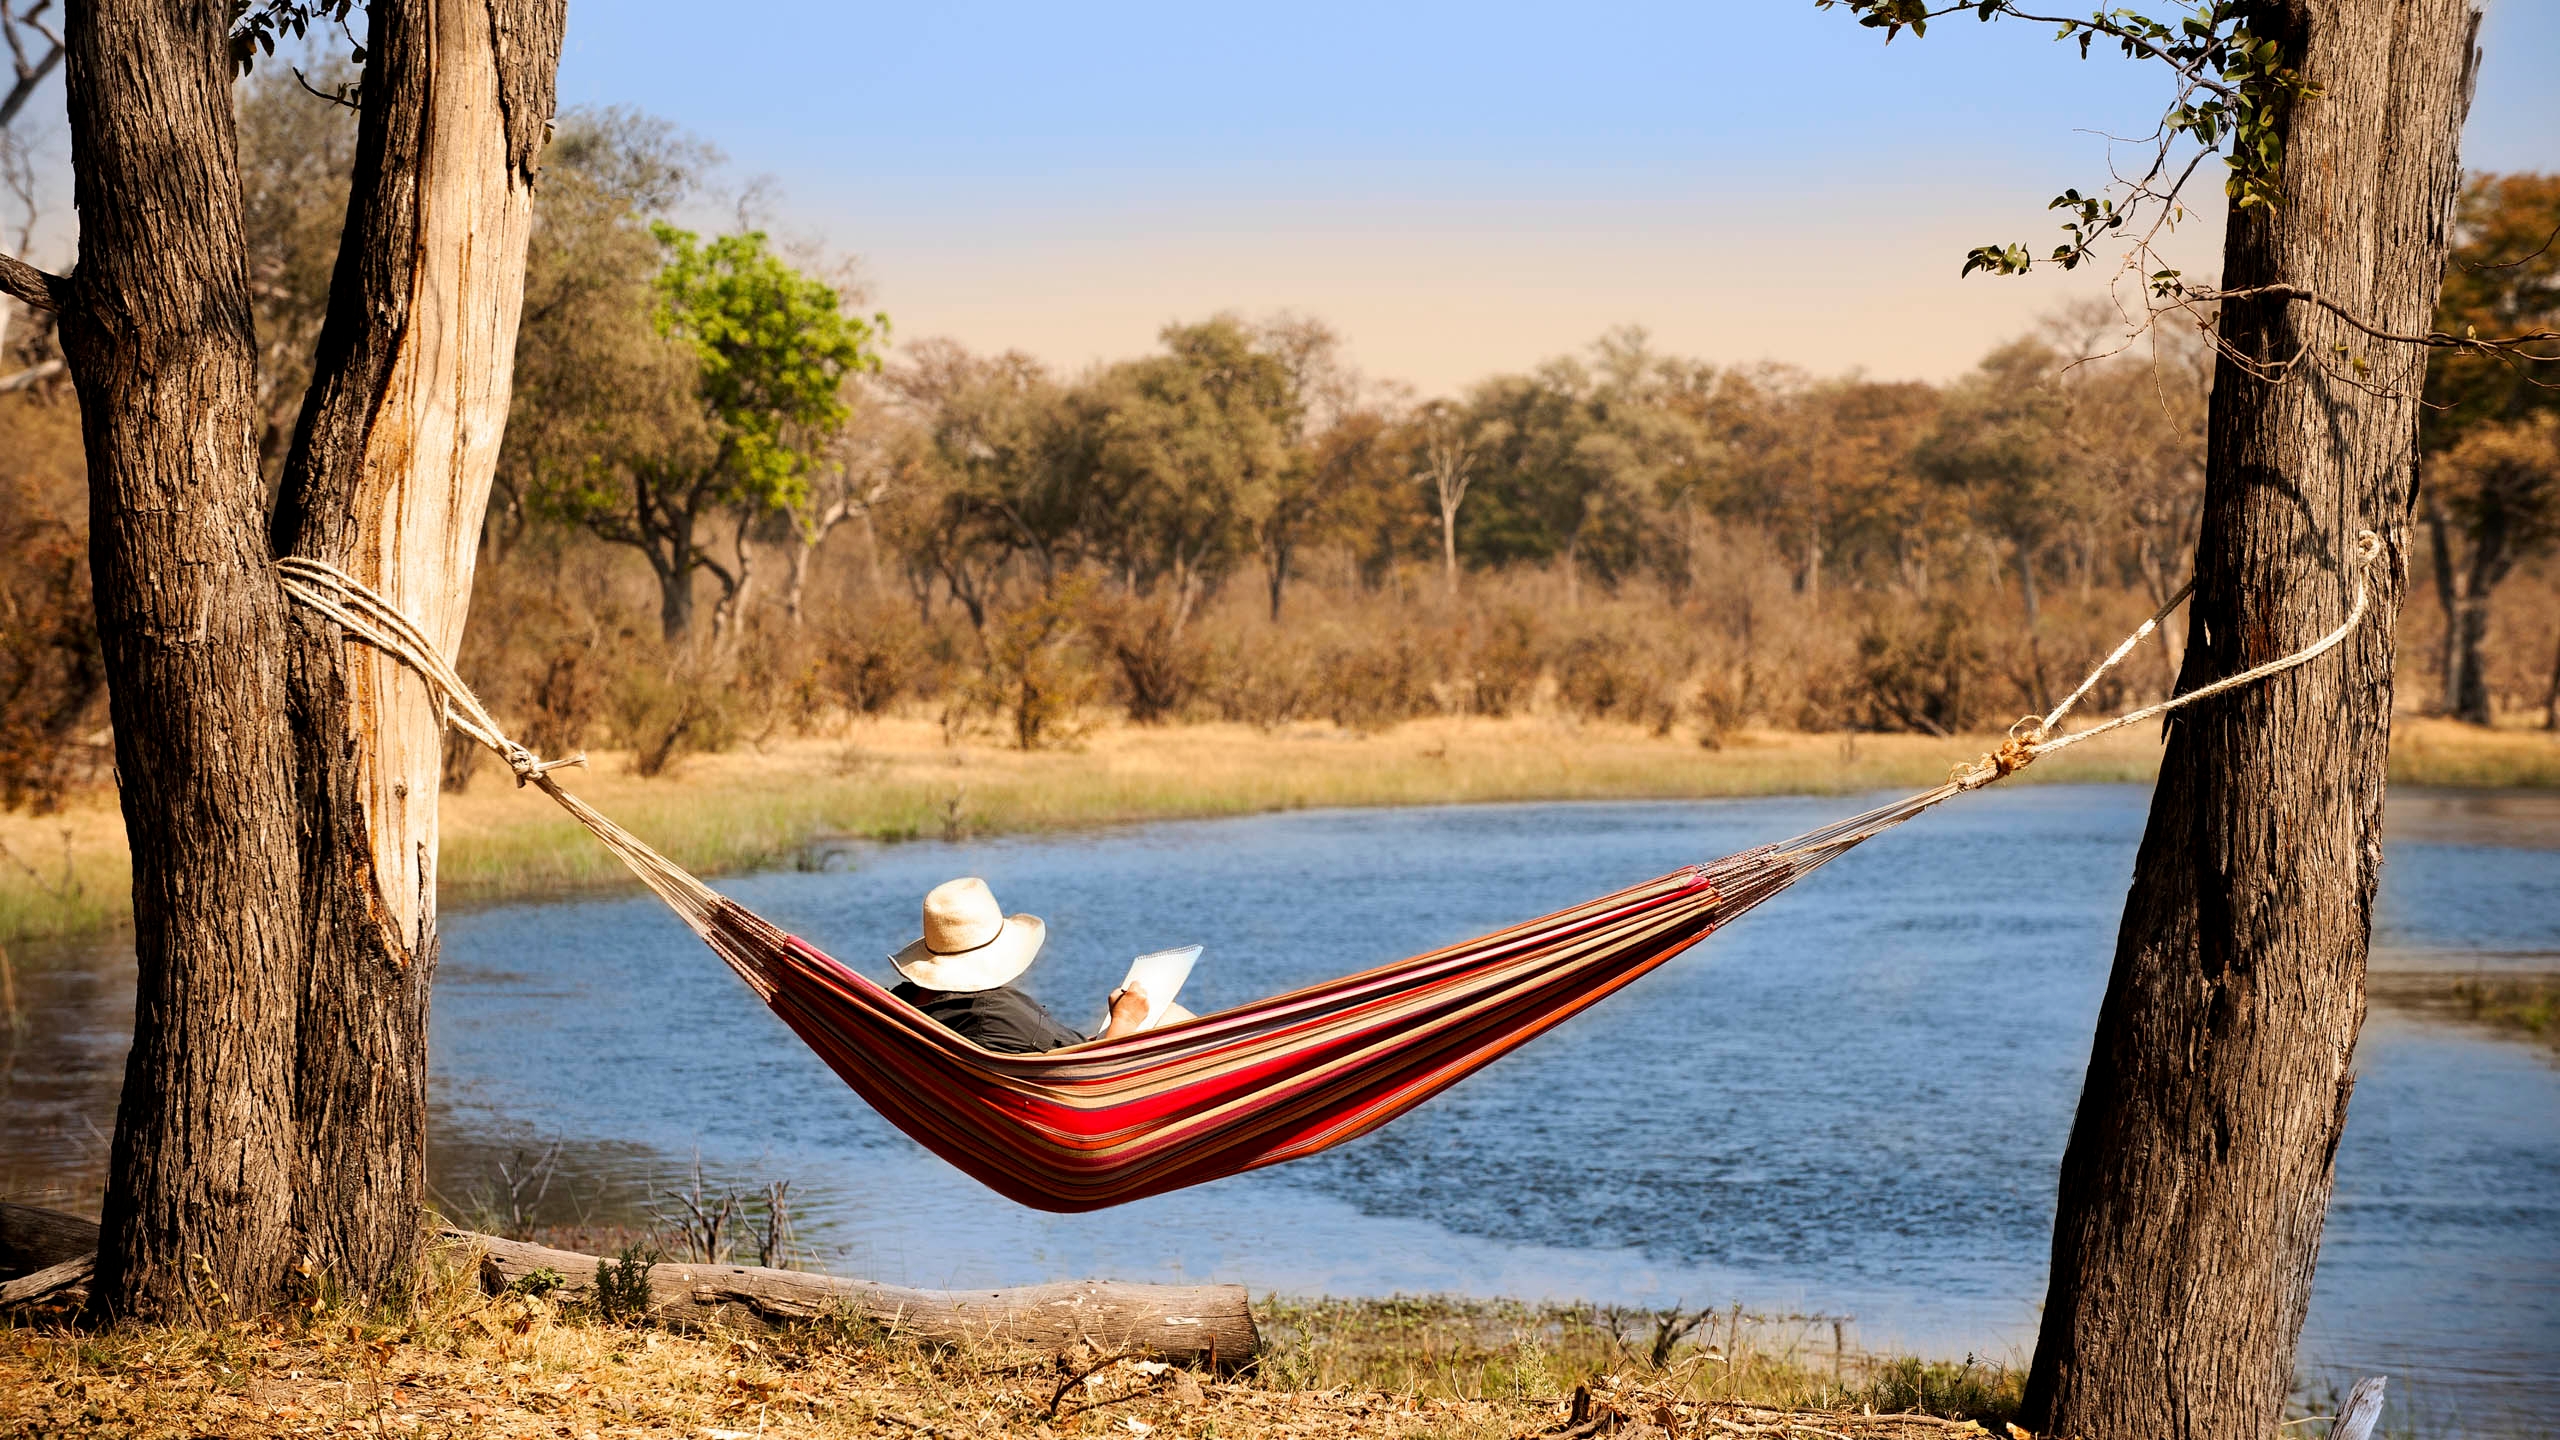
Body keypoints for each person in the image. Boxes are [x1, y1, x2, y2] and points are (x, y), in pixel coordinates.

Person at [889, 877, 1166, 1054]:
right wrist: (1124, 1021)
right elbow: (1093, 1082)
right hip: (1092, 1087)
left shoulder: (900, 1007)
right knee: (1173, 1022)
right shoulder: (993, 1013)